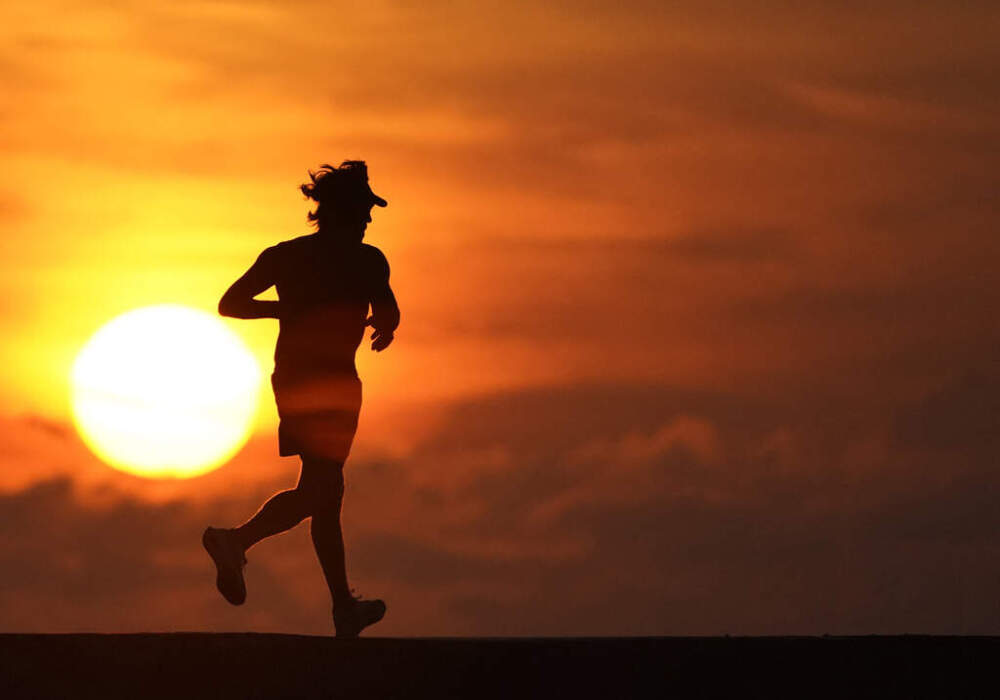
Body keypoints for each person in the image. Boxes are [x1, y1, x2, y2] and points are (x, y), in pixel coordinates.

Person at [202, 161, 399, 638]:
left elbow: (388, 310)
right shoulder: (332, 258)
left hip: (318, 381)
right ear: (340, 211)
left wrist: (383, 324)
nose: (369, 220)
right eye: (363, 210)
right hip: (316, 383)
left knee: (325, 494)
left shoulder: (338, 259)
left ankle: (341, 608)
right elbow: (229, 304)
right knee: (324, 490)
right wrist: (286, 308)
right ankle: (236, 541)